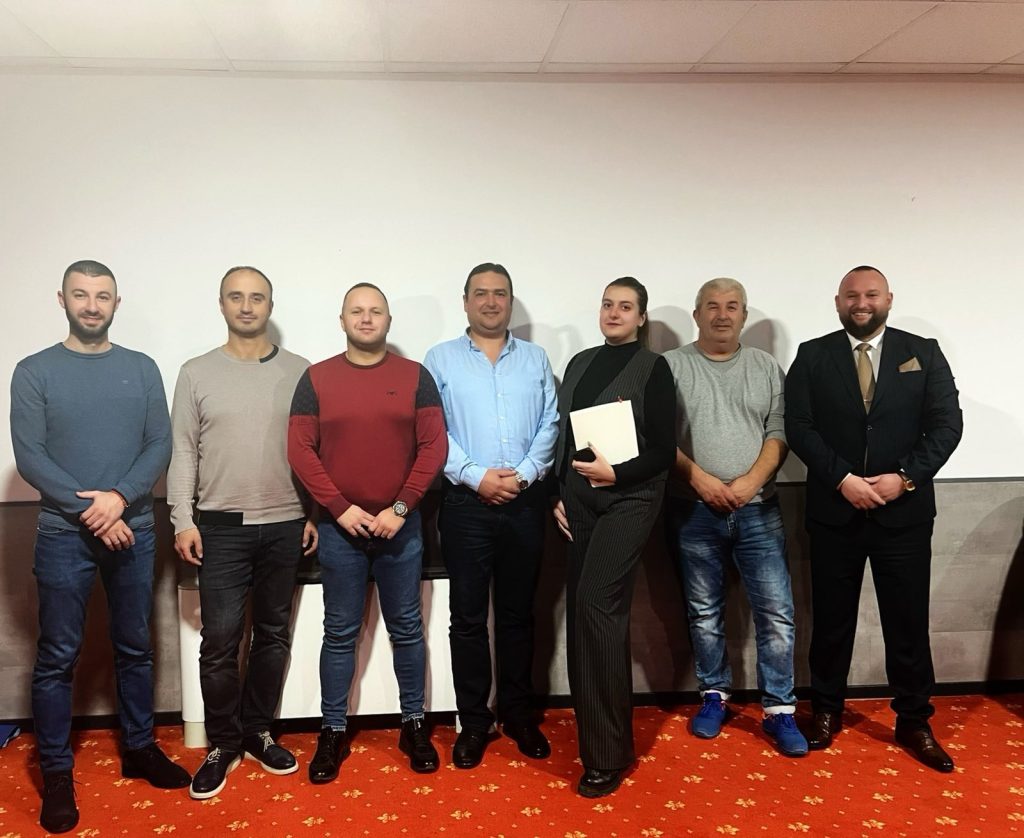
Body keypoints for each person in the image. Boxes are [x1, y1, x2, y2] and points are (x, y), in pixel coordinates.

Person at [10, 260, 189, 834]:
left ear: (117, 303)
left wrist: (120, 498)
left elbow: (159, 443)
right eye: (81, 295)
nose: (92, 305)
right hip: (64, 534)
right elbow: (30, 455)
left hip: (134, 529)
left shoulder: (141, 368)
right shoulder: (33, 371)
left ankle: (138, 748)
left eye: (102, 296)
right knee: (57, 656)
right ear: (61, 299)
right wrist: (95, 510)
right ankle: (57, 772)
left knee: (135, 646)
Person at [785, 265, 963, 772]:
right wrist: (842, 479)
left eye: (871, 294)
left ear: (888, 299)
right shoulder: (812, 355)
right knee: (831, 622)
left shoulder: (923, 351)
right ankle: (825, 711)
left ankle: (914, 720)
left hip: (903, 514)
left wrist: (904, 478)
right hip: (834, 510)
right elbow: (799, 426)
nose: (861, 303)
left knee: (907, 623)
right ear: (837, 302)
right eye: (851, 295)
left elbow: (947, 425)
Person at [167, 266, 317, 799]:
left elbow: (313, 450)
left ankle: (258, 731)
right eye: (236, 297)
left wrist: (314, 514)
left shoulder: (301, 372)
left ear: (270, 305)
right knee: (220, 642)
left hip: (286, 523)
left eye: (257, 298)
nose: (247, 306)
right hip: (220, 528)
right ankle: (223, 743)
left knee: (273, 635)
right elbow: (183, 450)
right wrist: (182, 518)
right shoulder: (195, 373)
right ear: (221, 304)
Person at [288, 283, 447, 783]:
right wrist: (339, 509)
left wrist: (400, 508)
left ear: (388, 321)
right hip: (341, 531)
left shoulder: (415, 376)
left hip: (401, 526)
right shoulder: (316, 378)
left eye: (375, 311)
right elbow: (300, 450)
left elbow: (434, 447)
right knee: (339, 632)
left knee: (407, 628)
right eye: (356, 311)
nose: (365, 318)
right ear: (341, 320)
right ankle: (332, 729)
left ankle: (413, 723)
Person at [663, 278, 806, 756]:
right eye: (712, 306)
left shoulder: (765, 367)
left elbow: (779, 430)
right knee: (704, 612)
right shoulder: (671, 366)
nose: (722, 315)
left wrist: (750, 482)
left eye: (732, 306)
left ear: (743, 315)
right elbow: (659, 436)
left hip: (758, 508)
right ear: (696, 314)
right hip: (692, 508)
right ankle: (714, 694)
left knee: (777, 613)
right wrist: (700, 480)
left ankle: (780, 708)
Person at [423, 263, 558, 768]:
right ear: (465, 301)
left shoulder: (536, 359)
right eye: (480, 293)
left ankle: (519, 715)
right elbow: (432, 431)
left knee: (520, 614)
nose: (490, 301)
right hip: (465, 504)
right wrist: (475, 476)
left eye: (499, 293)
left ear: (510, 301)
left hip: (525, 503)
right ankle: (475, 722)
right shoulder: (439, 359)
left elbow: (550, 423)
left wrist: (522, 476)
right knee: (468, 618)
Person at [551, 277, 675, 798]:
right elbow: (564, 435)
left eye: (626, 306)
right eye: (608, 304)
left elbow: (664, 451)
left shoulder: (654, 368)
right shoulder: (580, 363)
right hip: (578, 501)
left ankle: (607, 757)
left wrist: (617, 475)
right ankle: (600, 743)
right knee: (585, 620)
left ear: (641, 317)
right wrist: (557, 493)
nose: (614, 312)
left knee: (596, 605)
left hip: (630, 499)